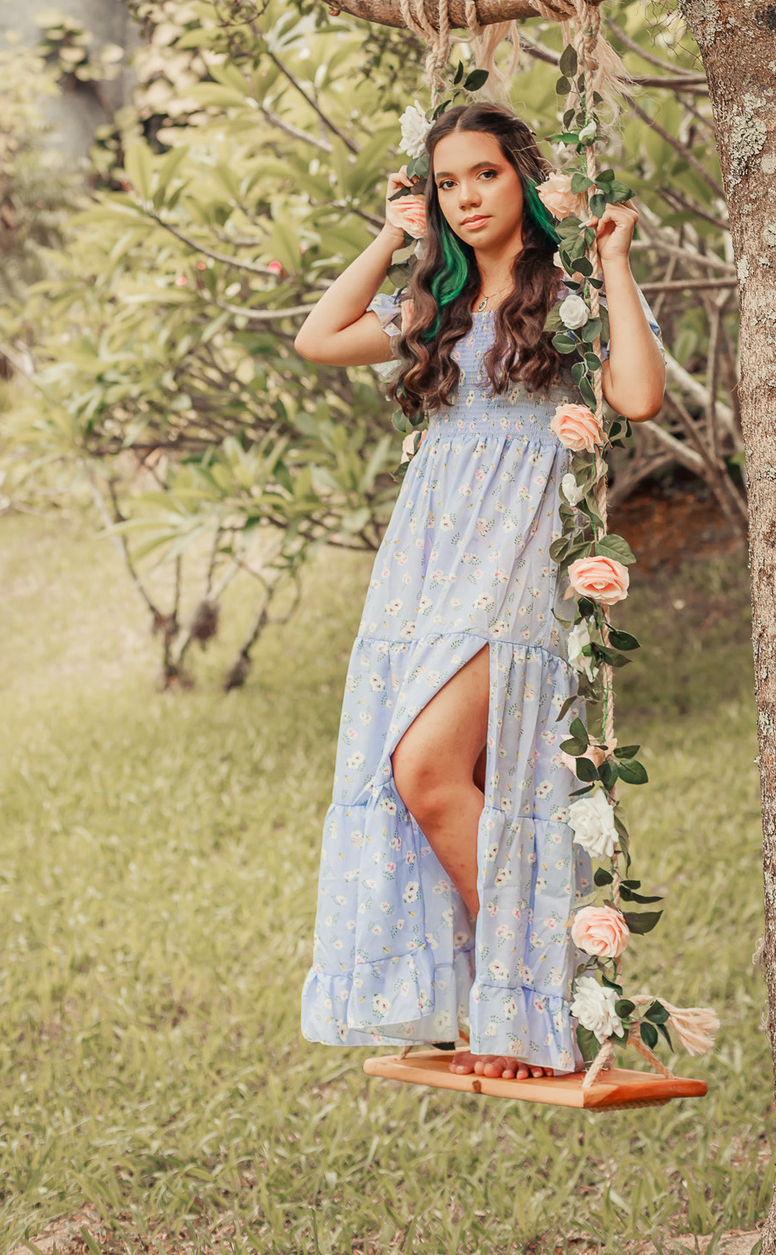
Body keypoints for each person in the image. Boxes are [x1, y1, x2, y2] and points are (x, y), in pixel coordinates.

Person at [295, 100, 664, 1080]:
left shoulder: (569, 297)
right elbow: (320, 337)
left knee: (425, 771)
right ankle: (503, 1011)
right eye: (448, 182)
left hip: (516, 555)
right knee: (448, 780)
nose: (466, 197)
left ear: (524, 180)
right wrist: (391, 235)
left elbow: (636, 395)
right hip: (425, 564)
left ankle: (533, 1001)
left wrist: (614, 261)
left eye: (485, 174)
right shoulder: (438, 308)